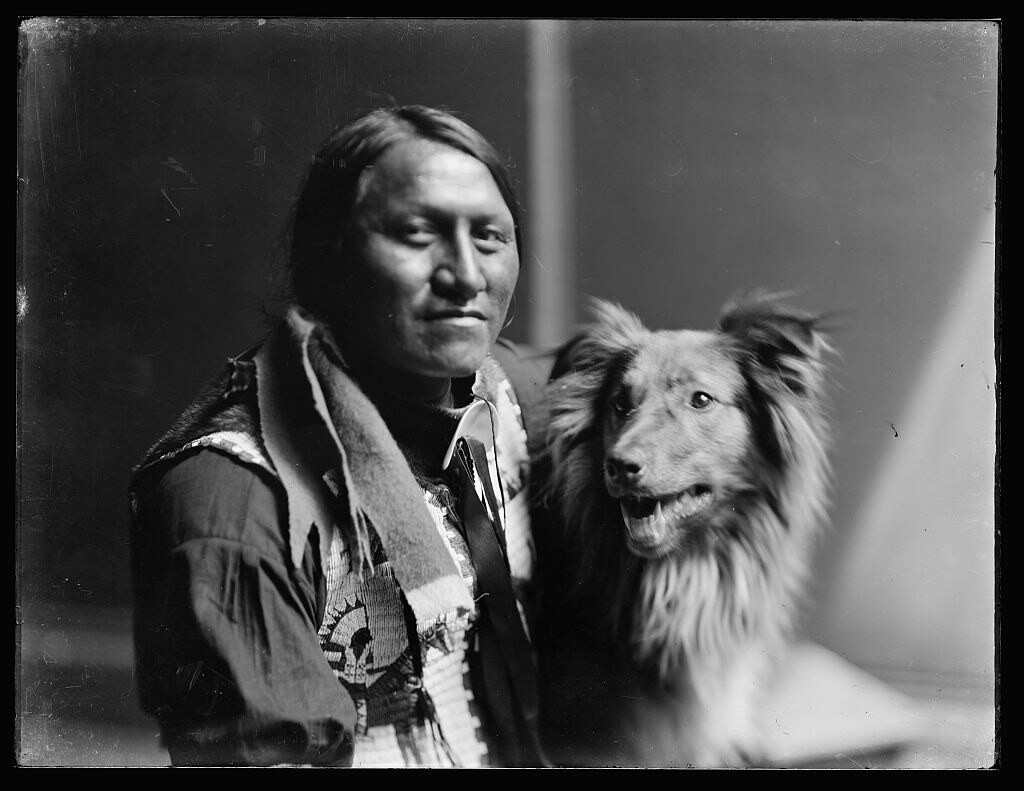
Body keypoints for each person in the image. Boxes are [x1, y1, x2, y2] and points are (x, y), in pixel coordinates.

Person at [128, 105, 554, 767]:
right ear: (330, 257)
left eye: (491, 237)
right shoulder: (234, 499)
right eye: (419, 233)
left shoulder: (513, 401)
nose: (468, 275)